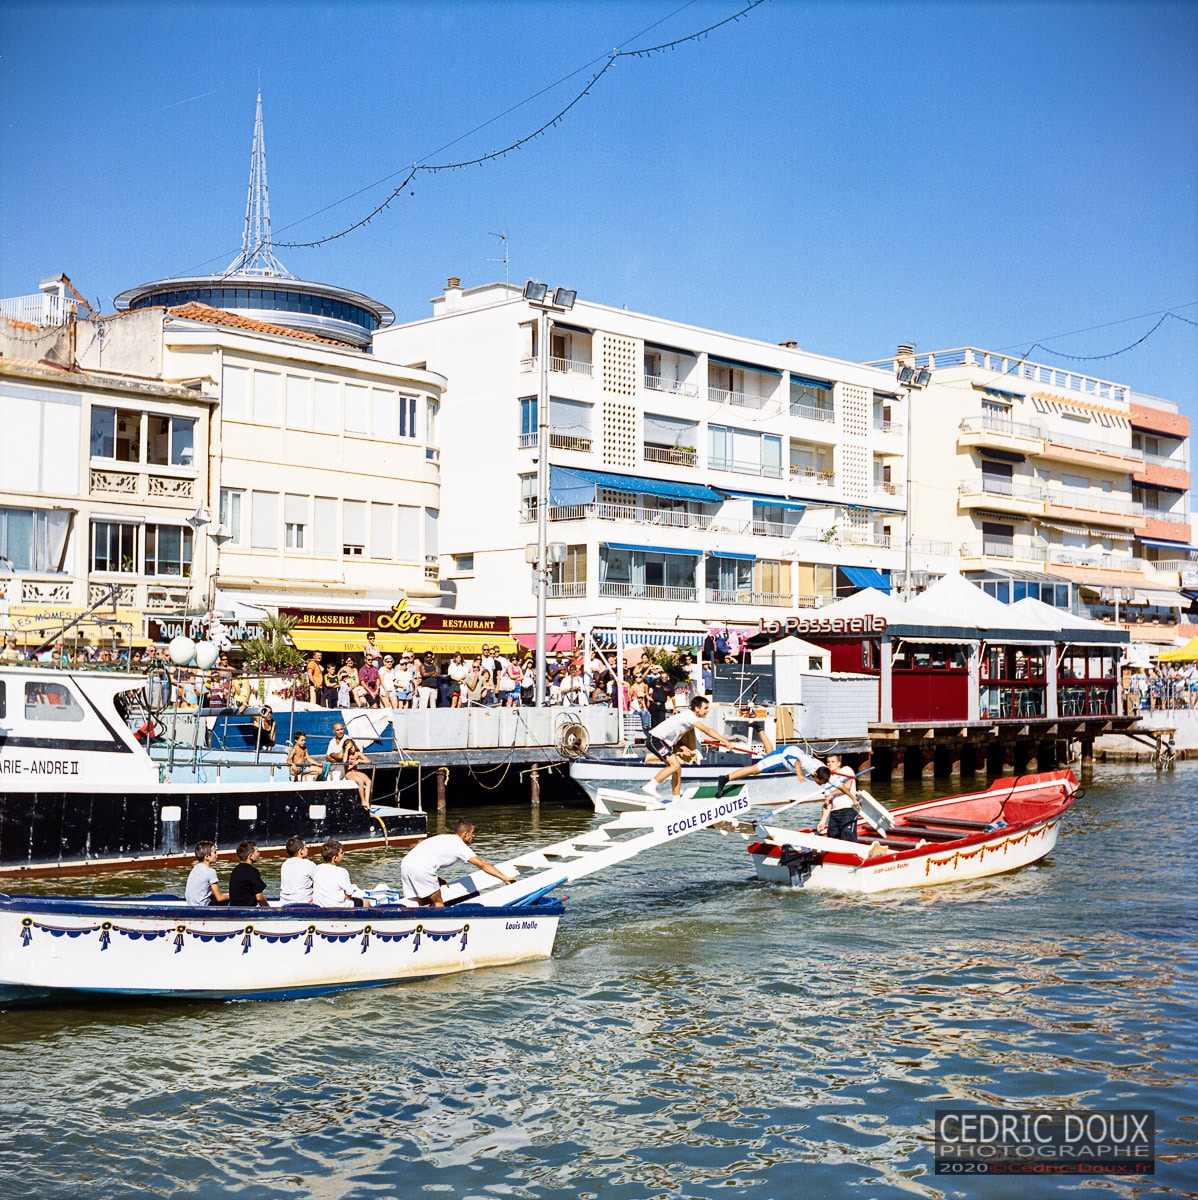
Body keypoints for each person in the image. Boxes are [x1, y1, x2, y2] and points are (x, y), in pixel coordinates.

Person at [399, 818, 516, 907]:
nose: (473, 836)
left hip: (406, 866)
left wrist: (438, 880)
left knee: (425, 902)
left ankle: (421, 928)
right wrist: (504, 878)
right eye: (472, 833)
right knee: (439, 904)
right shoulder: (459, 845)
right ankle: (442, 931)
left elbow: (426, 857)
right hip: (421, 869)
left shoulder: (442, 838)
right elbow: (482, 864)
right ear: (465, 834)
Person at [642, 696, 738, 799]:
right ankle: (650, 786)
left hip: (660, 741)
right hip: (655, 740)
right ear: (697, 708)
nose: (707, 711)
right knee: (674, 765)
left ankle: (676, 799)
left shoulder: (688, 717)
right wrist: (725, 741)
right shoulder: (689, 716)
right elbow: (707, 730)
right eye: (705, 708)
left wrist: (682, 747)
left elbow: (673, 734)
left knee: (677, 769)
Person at [715, 731, 831, 798]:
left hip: (792, 753)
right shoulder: (808, 765)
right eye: (819, 782)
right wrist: (799, 775)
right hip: (784, 755)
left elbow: (835, 782)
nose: (819, 785)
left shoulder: (822, 770)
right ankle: (725, 778)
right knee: (756, 769)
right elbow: (797, 762)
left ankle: (760, 730)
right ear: (815, 774)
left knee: (767, 756)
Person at [816, 754, 861, 841]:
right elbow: (828, 804)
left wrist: (832, 793)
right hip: (834, 813)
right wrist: (822, 821)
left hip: (848, 810)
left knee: (847, 837)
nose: (830, 764)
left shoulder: (846, 770)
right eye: (828, 762)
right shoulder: (827, 780)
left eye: (833, 762)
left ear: (839, 763)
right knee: (832, 838)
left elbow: (847, 786)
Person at [312, 839, 367, 907]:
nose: (343, 854)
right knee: (366, 902)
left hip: (320, 905)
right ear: (335, 858)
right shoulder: (342, 871)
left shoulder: (316, 869)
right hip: (337, 906)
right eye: (341, 853)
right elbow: (349, 894)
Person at [185, 841, 228, 906]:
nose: (217, 855)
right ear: (207, 857)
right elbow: (219, 897)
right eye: (215, 852)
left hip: (191, 904)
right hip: (202, 907)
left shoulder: (195, 868)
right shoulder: (210, 872)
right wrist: (233, 895)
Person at [228, 840, 270, 906]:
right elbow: (259, 898)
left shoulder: (235, 870)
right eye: (257, 851)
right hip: (247, 910)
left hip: (234, 908)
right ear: (250, 856)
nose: (259, 853)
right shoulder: (252, 872)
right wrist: (268, 908)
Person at [278, 836, 316, 905]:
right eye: (306, 847)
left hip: (284, 903)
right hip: (304, 903)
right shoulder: (308, 864)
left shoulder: (285, 864)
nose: (307, 849)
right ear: (301, 851)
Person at [342, 738, 373, 808]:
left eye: (352, 746)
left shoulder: (357, 753)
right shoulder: (346, 755)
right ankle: (363, 801)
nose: (351, 749)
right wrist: (346, 750)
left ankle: (367, 801)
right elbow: (344, 761)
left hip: (356, 772)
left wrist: (359, 761)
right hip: (349, 773)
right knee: (360, 781)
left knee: (368, 781)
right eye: (350, 748)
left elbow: (368, 761)